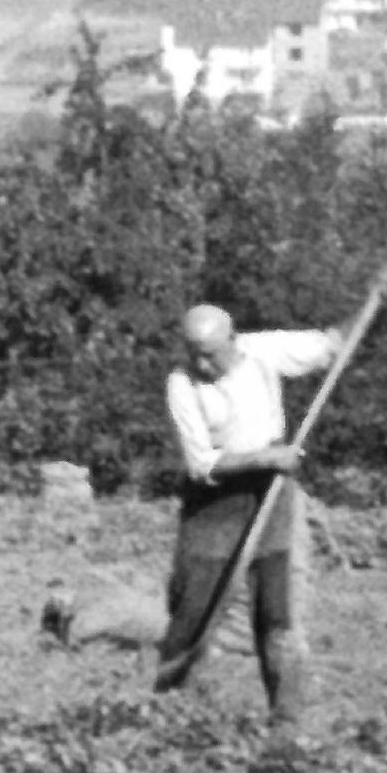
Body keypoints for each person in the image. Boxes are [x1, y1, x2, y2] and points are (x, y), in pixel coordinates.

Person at [155, 303, 351, 738]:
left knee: (275, 612)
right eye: (194, 353)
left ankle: (287, 722)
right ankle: (171, 709)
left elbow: (329, 345)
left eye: (210, 353)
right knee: (194, 608)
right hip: (213, 504)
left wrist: (371, 300)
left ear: (232, 339)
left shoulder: (263, 352)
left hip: (271, 494)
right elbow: (200, 462)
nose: (202, 363)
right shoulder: (181, 383)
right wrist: (266, 457)